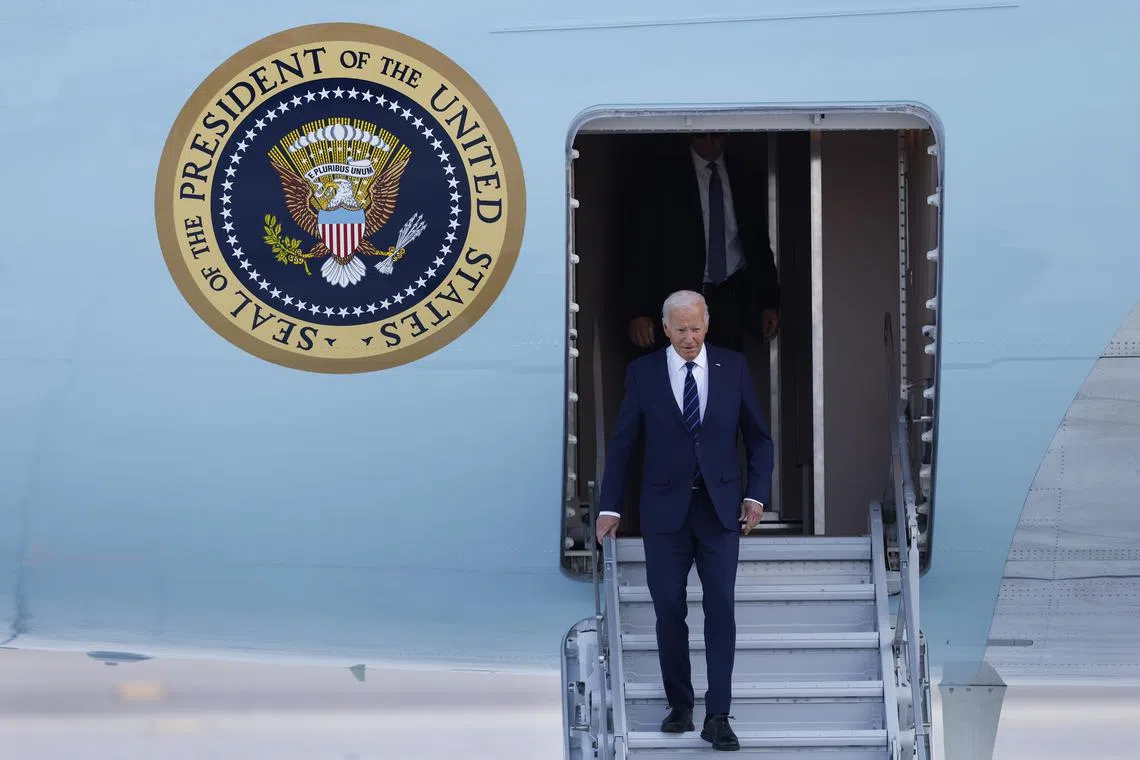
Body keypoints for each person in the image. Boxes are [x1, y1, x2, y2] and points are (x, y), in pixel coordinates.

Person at [596, 290, 774, 751]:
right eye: (680, 330)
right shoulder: (643, 373)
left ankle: (718, 715)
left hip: (719, 512)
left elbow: (759, 438)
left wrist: (755, 496)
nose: (689, 338)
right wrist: (609, 508)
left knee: (720, 611)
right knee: (668, 610)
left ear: (707, 325)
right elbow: (623, 445)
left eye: (696, 329)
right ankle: (680, 703)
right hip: (663, 513)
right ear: (665, 328)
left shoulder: (731, 366)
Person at [625, 133, 780, 353]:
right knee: (681, 379)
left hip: (730, 298)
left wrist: (768, 302)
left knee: (724, 376)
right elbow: (641, 246)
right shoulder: (662, 176)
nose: (710, 142)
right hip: (678, 298)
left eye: (716, 134)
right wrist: (638, 310)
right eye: (702, 135)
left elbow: (758, 244)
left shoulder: (744, 175)